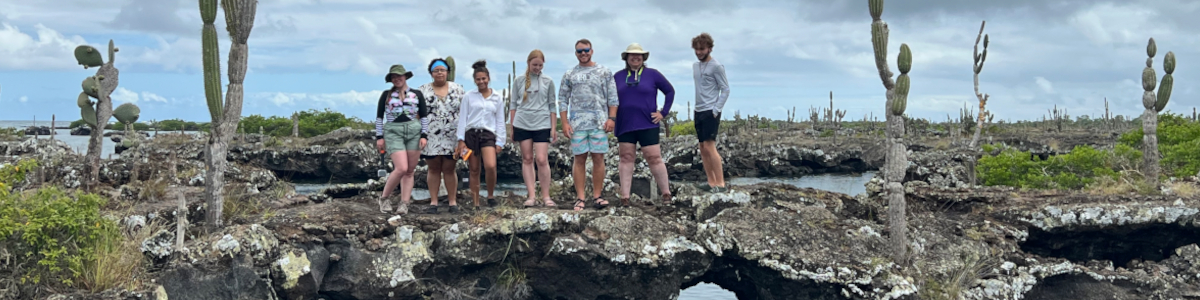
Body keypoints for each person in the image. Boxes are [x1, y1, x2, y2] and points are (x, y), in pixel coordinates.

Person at [559, 38, 619, 211]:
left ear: (592, 51)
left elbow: (613, 97)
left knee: (598, 158)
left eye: (586, 50)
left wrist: (611, 118)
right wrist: (564, 122)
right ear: (575, 53)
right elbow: (562, 99)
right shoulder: (570, 74)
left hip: (599, 123)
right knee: (579, 159)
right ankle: (580, 198)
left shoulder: (604, 72)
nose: (583, 53)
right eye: (579, 51)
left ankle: (597, 196)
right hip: (577, 125)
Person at [613, 43, 674, 206]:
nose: (635, 57)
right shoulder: (617, 77)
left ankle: (666, 194)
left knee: (654, 158)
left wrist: (663, 112)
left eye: (638, 55)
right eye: (632, 55)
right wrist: (611, 118)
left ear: (643, 58)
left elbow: (669, 91)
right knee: (626, 158)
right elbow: (609, 100)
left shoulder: (653, 74)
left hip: (648, 123)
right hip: (625, 123)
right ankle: (625, 197)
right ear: (626, 57)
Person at [508, 50, 559, 208]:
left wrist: (553, 128)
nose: (537, 68)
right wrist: (512, 126)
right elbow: (513, 104)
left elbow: (552, 105)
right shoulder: (519, 80)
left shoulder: (548, 81)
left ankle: (546, 196)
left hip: (542, 123)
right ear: (528, 64)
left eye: (540, 65)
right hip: (522, 122)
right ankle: (531, 196)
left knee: (542, 159)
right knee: (527, 158)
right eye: (534, 65)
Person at [375, 64, 429, 214]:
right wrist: (379, 137)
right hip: (393, 130)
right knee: (401, 168)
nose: (397, 79)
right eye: (393, 77)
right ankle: (384, 197)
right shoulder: (386, 95)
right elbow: (379, 117)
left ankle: (404, 203)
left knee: (410, 171)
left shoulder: (417, 94)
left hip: (414, 130)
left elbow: (424, 116)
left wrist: (424, 135)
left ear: (405, 76)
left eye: (399, 76)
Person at [418, 58, 467, 214]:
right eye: (436, 70)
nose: (439, 73)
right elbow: (417, 113)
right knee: (433, 168)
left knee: (449, 168)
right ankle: (434, 202)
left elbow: (465, 112)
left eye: (442, 70)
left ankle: (452, 202)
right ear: (431, 73)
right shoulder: (422, 90)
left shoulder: (458, 89)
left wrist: (462, 138)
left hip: (452, 135)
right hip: (430, 135)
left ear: (448, 71)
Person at [456, 60, 506, 208]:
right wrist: (461, 139)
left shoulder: (497, 97)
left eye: (483, 78)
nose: (481, 81)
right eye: (478, 79)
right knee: (474, 169)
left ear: (488, 78)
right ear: (474, 80)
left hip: (488, 134)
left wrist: (500, 141)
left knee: (490, 166)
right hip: (471, 134)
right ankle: (475, 202)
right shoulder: (469, 96)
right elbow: (463, 118)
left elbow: (500, 120)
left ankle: (490, 195)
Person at [691, 33, 731, 193]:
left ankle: (720, 183)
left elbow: (725, 89)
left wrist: (716, 110)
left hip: (710, 111)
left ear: (709, 48)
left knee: (710, 146)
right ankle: (711, 181)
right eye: (696, 49)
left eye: (702, 49)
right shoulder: (695, 66)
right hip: (698, 109)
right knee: (702, 146)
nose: (699, 52)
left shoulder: (717, 66)